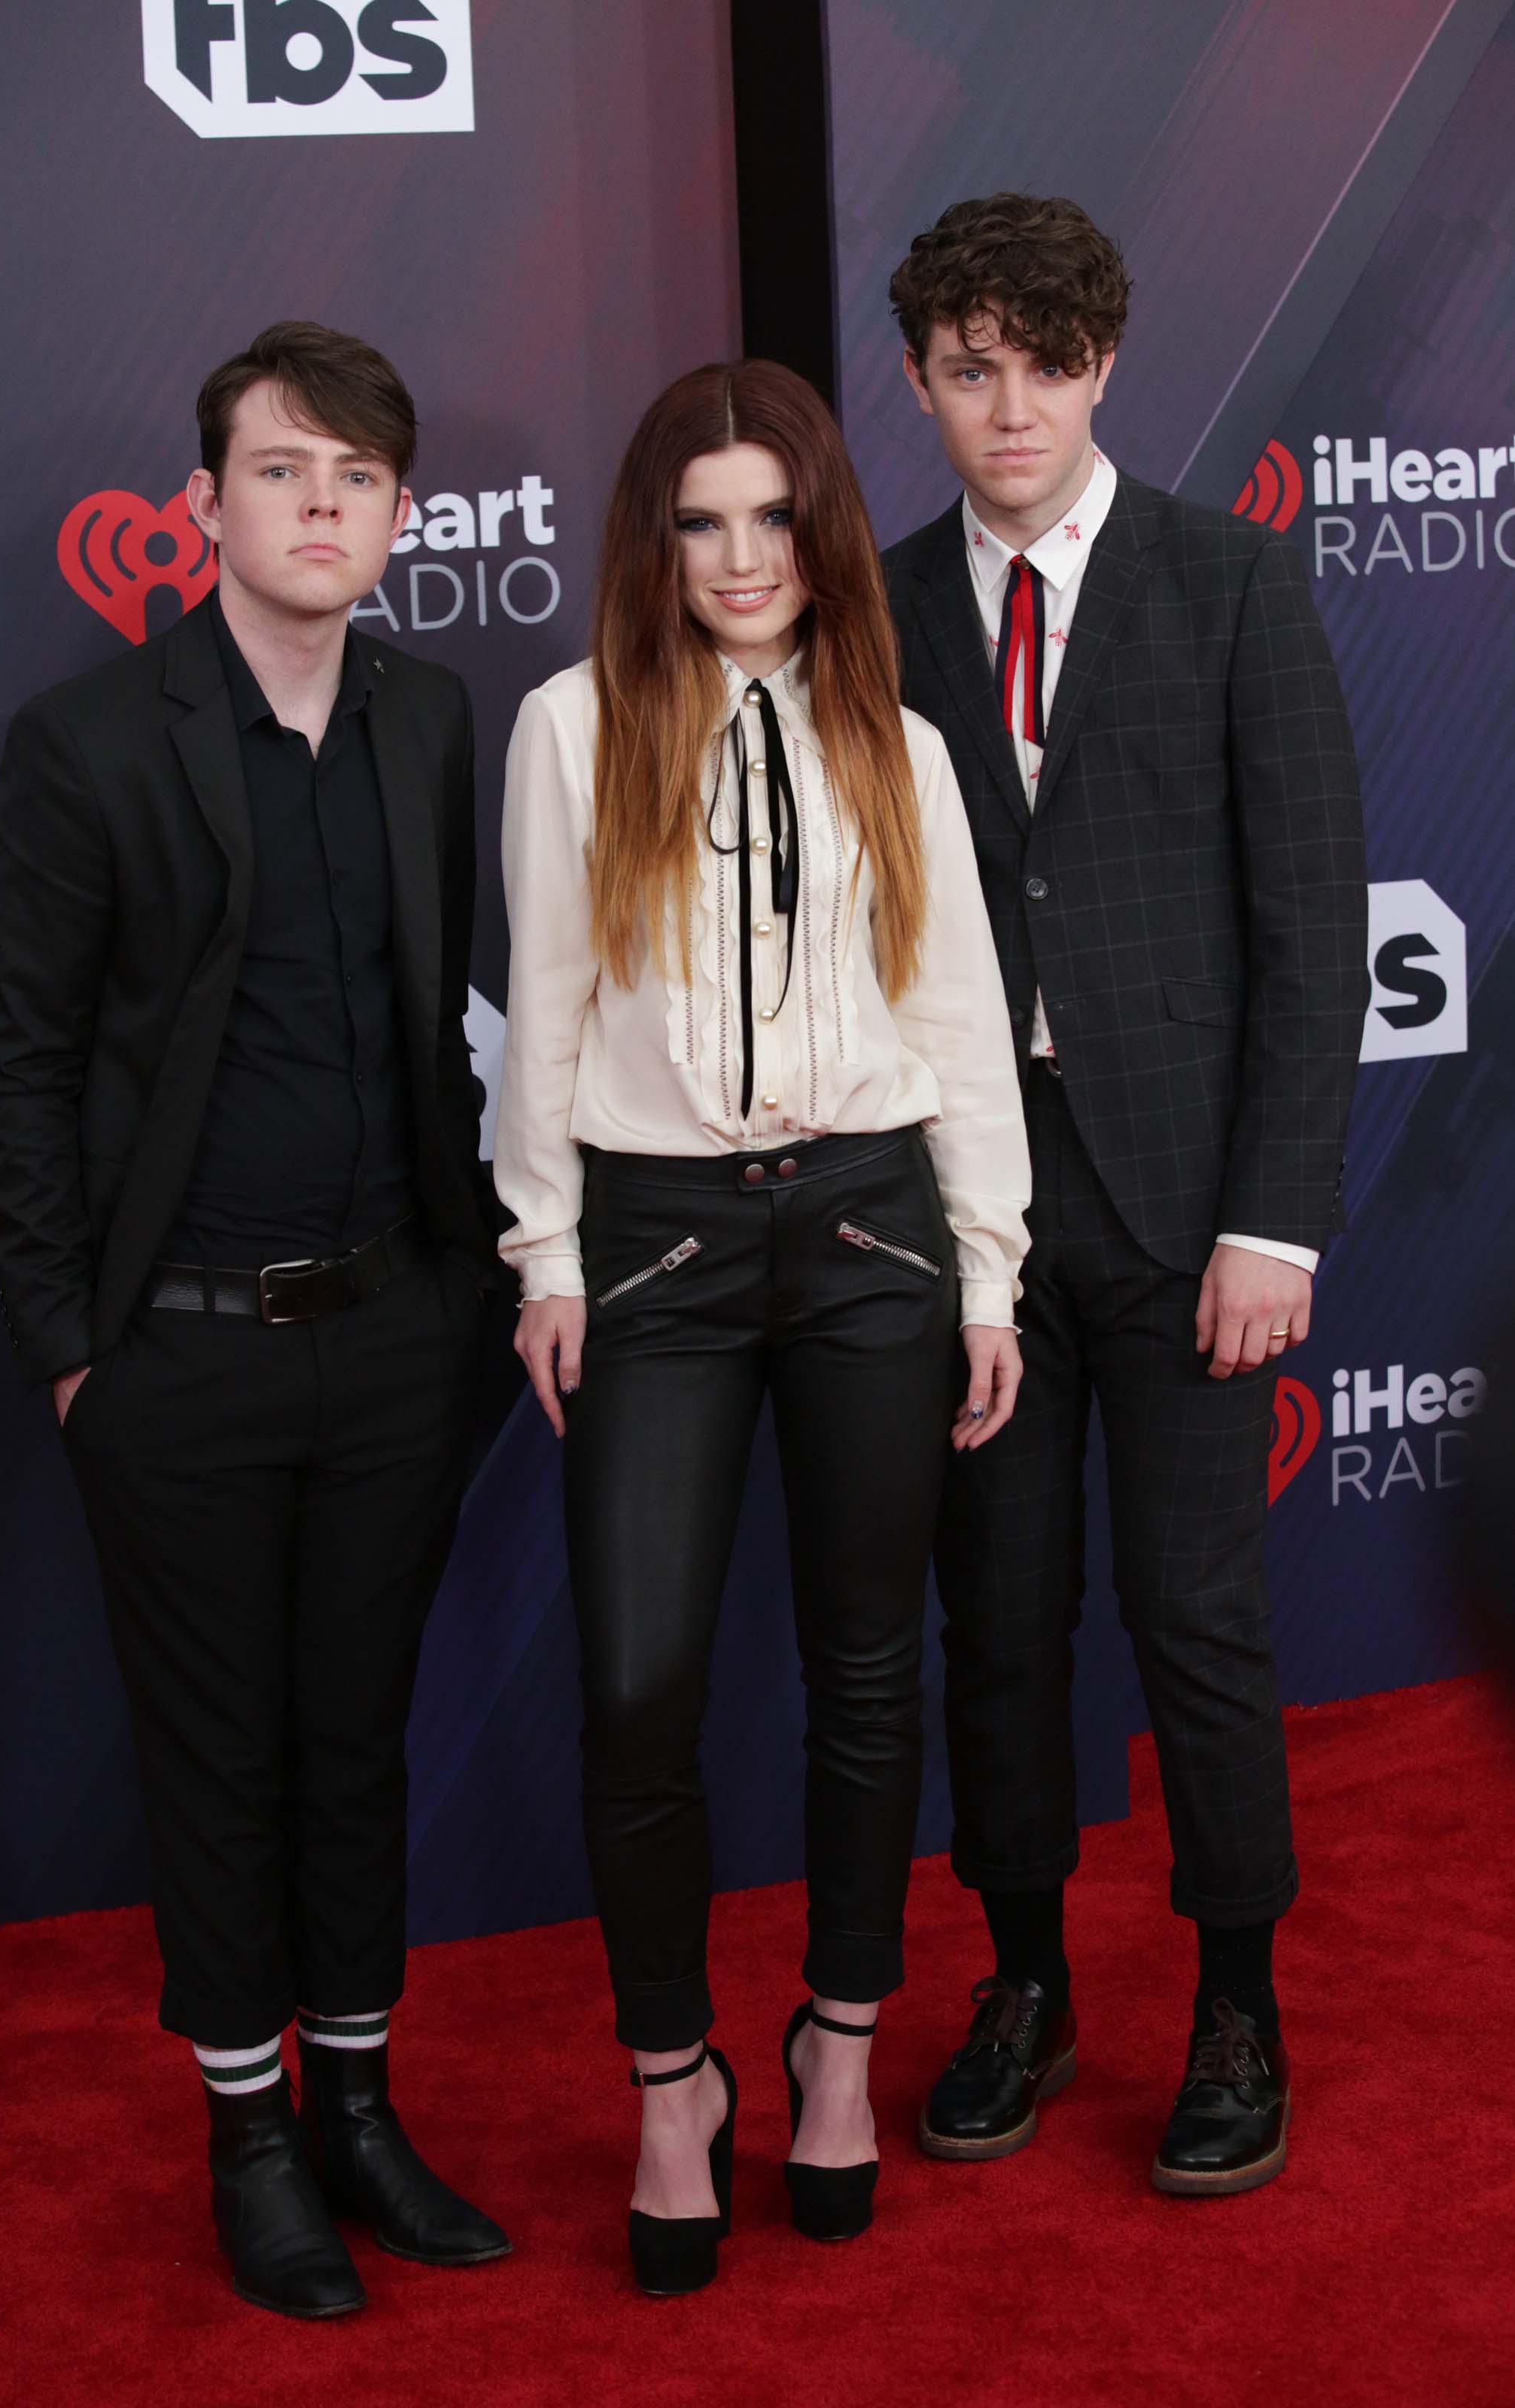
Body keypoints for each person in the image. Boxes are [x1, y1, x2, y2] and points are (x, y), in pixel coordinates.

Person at [0, 322, 510, 2317]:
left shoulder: (431, 719)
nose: (319, 507)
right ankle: (249, 2132)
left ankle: (358, 2105)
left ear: (395, 514)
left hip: (391, 1336)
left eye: (357, 479)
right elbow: (17, 1069)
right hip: (175, 1354)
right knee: (216, 1758)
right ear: (202, 504)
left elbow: (431, 1024)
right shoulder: (93, 741)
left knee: (352, 1738)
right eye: (282, 471)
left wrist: (469, 1292)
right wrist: (70, 1347)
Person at [494, 358, 1030, 2292]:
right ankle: (668, 2082)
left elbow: (961, 1013)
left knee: (865, 1667)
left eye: (772, 517)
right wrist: (544, 1256)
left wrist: (987, 1264)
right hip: (654, 1248)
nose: (738, 558)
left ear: (816, 530)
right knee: (635, 1682)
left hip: (878, 1232)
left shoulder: (898, 731)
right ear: (656, 536)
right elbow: (543, 1013)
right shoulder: (569, 727)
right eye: (699, 519)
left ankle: (835, 2044)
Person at [882, 195, 1369, 2195]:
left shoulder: (1230, 582)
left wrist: (1274, 1221)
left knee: (1194, 1622)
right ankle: (1021, 1985)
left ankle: (1233, 2006)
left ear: (1104, 363)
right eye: (968, 368)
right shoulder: (874, 599)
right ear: (918, 381)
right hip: (965, 1229)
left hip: (1183, 1217)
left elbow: (1308, 920)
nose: (1008, 408)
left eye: (1044, 364)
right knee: (994, 1629)